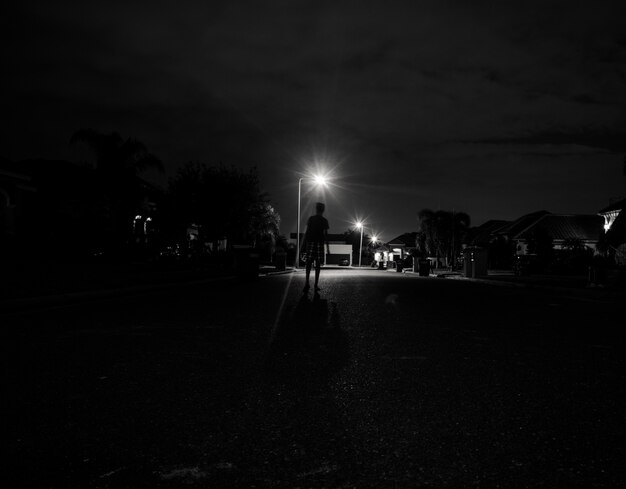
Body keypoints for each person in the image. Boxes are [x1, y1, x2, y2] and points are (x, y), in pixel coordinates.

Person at [301, 202, 330, 292]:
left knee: (308, 263)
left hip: (310, 242)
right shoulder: (324, 220)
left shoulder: (311, 219)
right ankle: (315, 285)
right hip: (319, 243)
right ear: (323, 210)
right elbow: (325, 234)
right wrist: (328, 247)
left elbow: (307, 232)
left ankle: (307, 283)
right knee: (318, 265)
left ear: (316, 209)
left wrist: (304, 244)